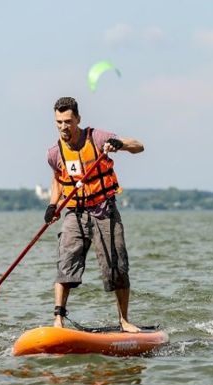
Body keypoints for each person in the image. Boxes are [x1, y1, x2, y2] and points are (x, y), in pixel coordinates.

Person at [44, 96, 144, 332]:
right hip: (75, 214)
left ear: (78, 119)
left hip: (104, 211)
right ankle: (58, 320)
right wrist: (52, 205)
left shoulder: (97, 138)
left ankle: (124, 321)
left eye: (68, 121)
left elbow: (138, 146)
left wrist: (119, 144)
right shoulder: (54, 153)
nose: (63, 127)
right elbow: (58, 180)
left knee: (116, 266)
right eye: (59, 122)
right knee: (65, 264)